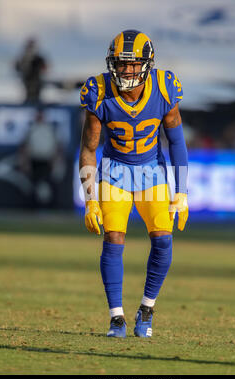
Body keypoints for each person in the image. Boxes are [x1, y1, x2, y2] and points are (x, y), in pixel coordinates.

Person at [79, 30, 188, 338]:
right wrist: (90, 198)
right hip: (115, 171)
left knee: (164, 238)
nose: (127, 70)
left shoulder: (164, 88)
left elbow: (177, 141)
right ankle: (116, 318)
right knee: (113, 238)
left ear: (147, 64)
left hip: (152, 171)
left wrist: (181, 191)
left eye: (133, 63)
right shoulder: (99, 90)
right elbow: (88, 149)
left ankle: (147, 309)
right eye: (121, 63)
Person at [15, 38, 48, 103]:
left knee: (36, 97)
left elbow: (45, 69)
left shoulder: (39, 59)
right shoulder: (23, 58)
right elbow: (17, 68)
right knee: (29, 97)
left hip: (37, 82)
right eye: (29, 46)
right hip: (27, 82)